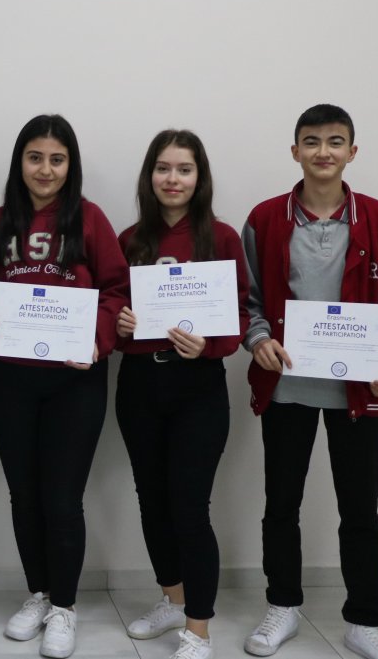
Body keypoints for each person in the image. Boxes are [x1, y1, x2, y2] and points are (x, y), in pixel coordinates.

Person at [241, 104, 378, 659]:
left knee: (360, 509)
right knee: (280, 505)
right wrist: (258, 340)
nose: (323, 152)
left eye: (335, 142)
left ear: (352, 152)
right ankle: (283, 606)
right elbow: (247, 300)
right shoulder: (265, 219)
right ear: (294, 151)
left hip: (356, 393)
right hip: (286, 387)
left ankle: (364, 619)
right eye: (312, 141)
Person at [0, 114, 128, 659]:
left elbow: (116, 290)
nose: (45, 169)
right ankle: (38, 593)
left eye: (57, 159)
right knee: (24, 494)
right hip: (10, 379)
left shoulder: (90, 219)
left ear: (71, 165)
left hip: (74, 380)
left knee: (62, 499)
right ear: (20, 162)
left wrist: (98, 340)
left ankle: (64, 607)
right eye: (35, 157)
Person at [113, 130, 249, 659]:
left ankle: (198, 629)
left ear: (199, 177)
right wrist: (121, 324)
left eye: (184, 169)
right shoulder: (130, 239)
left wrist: (208, 346)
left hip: (198, 388)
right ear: (150, 175)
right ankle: (172, 598)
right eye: (163, 168)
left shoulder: (222, 238)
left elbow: (240, 317)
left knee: (190, 507)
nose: (173, 179)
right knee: (152, 501)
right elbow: (110, 310)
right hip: (139, 385)